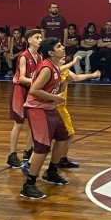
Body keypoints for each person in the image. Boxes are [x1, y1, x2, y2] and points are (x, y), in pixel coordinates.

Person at [19, 37, 72, 199]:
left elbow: (56, 90)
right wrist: (56, 98)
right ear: (51, 52)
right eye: (59, 46)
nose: (63, 47)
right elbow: (34, 90)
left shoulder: (55, 67)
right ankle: (28, 185)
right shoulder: (47, 68)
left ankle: (52, 171)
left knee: (64, 137)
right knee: (42, 147)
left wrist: (65, 84)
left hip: (49, 108)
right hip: (37, 109)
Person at [6, 29, 43, 169]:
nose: (40, 40)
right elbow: (22, 78)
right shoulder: (23, 56)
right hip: (20, 90)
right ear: (29, 40)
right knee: (19, 124)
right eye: (37, 37)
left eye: (41, 37)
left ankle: (28, 152)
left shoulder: (39, 57)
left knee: (32, 123)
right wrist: (37, 82)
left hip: (31, 91)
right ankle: (12, 155)